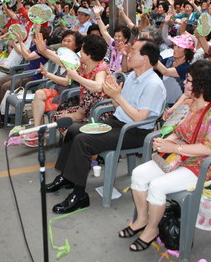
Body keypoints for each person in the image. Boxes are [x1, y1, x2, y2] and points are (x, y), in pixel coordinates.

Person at [120, 60, 211, 252]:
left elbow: (209, 149)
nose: (185, 84)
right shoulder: (188, 103)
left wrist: (173, 148)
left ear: (202, 85)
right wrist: (167, 141)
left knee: (157, 186)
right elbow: (176, 130)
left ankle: (151, 230)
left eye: (188, 81)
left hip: (201, 164)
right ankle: (143, 219)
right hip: (179, 155)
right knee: (138, 174)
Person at [46, 40, 166, 214]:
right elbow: (119, 107)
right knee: (73, 130)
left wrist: (118, 96)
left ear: (145, 59)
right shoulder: (132, 76)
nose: (129, 54)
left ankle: (80, 195)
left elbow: (140, 117)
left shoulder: (153, 84)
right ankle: (67, 177)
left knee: (83, 141)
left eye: (133, 51)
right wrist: (114, 96)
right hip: (118, 123)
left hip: (135, 131)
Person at [155, 33, 195, 106]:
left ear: (186, 52)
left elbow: (165, 71)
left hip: (177, 104)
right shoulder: (169, 60)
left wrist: (152, 56)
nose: (175, 49)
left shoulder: (186, 67)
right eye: (175, 45)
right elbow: (154, 66)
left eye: (179, 47)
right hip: (163, 101)